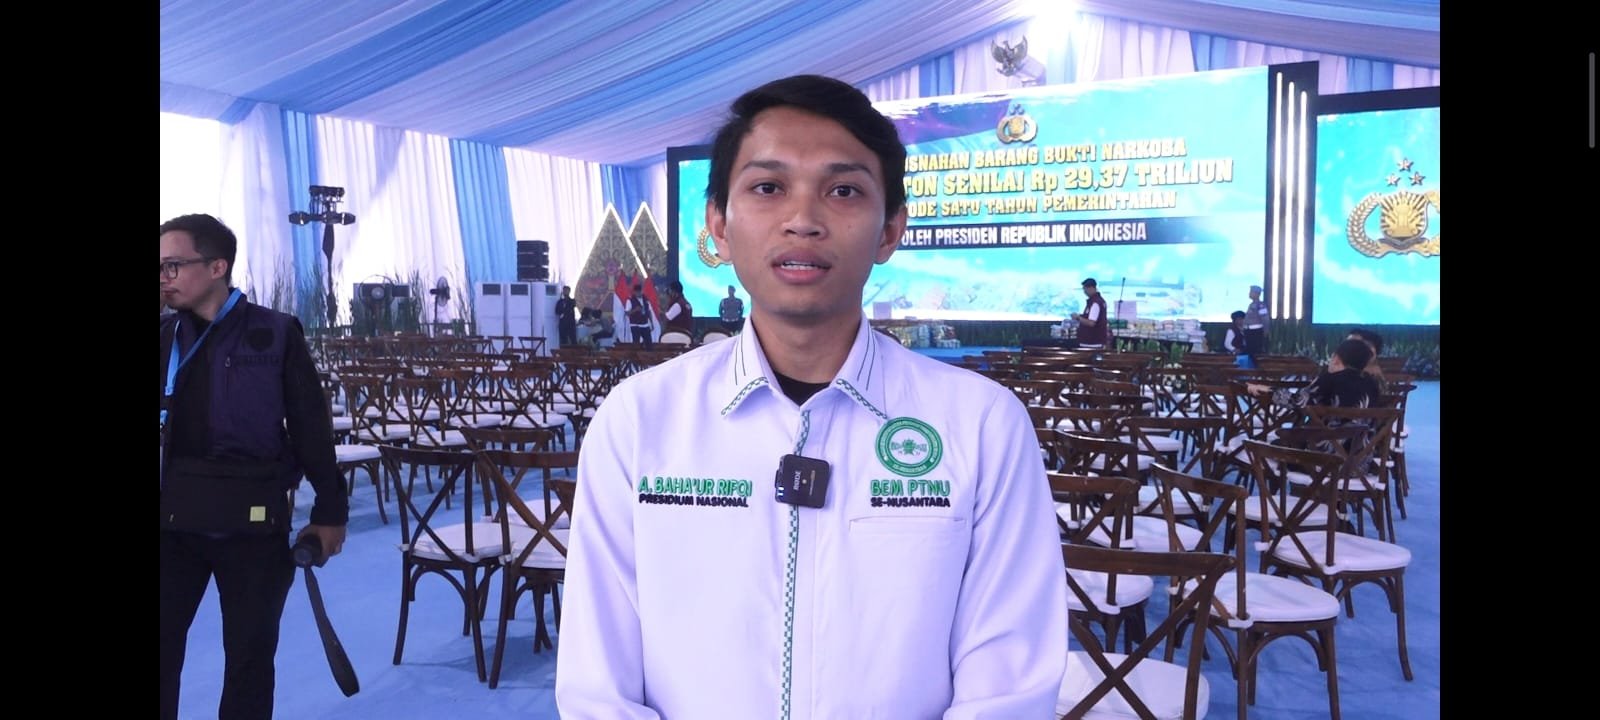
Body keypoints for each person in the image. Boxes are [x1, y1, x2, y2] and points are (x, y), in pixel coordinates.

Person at [555, 74, 1067, 718]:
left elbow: (1007, 689)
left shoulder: (982, 425)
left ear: (889, 230)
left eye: (843, 190)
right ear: (718, 226)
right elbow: (598, 689)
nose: (803, 220)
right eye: (768, 188)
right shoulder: (640, 421)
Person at [159, 213, 348, 720]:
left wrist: (330, 511)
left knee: (248, 663)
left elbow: (311, 428)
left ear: (217, 266)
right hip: (172, 523)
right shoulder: (165, 335)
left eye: (173, 265)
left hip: (253, 525)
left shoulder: (275, 333)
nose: (164, 277)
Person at [1070, 277, 1109, 350]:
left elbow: (1091, 323)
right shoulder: (1098, 301)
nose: (1084, 292)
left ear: (1091, 288)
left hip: (1092, 342)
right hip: (1093, 342)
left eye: (1085, 289)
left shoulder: (1095, 303)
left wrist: (1078, 318)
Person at [1244, 283, 1269, 356]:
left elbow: (1265, 319)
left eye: (1251, 292)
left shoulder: (1261, 305)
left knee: (1255, 352)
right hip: (1248, 331)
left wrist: (1266, 331)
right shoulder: (1251, 304)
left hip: (1255, 331)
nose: (1249, 293)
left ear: (1257, 294)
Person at [625, 283, 653, 348]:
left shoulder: (646, 299)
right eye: (637, 292)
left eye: (640, 291)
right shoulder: (630, 300)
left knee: (649, 343)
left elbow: (649, 311)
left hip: (645, 324)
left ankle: (648, 353)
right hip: (635, 325)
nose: (638, 293)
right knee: (636, 344)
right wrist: (635, 310)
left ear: (642, 291)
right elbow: (627, 313)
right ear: (634, 292)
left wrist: (651, 323)